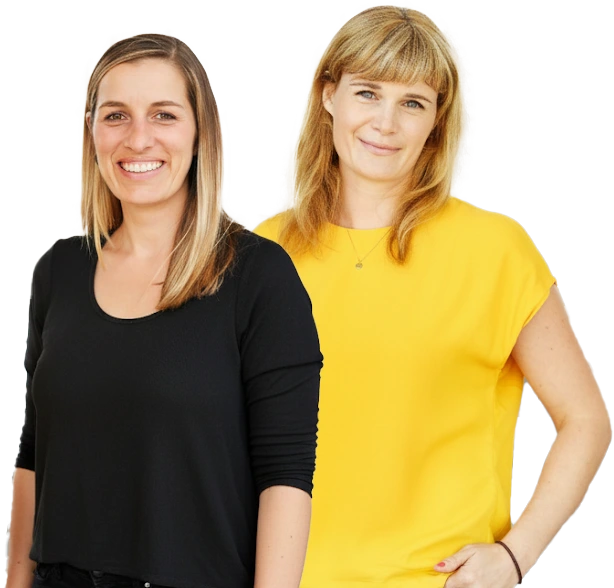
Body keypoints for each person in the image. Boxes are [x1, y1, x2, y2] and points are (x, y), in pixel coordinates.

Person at [253, 5, 612, 588]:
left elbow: (586, 419)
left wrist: (515, 556)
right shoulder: (263, 254)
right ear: (328, 96)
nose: (386, 123)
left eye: (413, 103)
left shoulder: (493, 250)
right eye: (368, 93)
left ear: (437, 121)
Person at [6, 33, 322, 588]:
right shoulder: (61, 271)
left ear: (201, 134)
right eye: (116, 116)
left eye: (164, 115)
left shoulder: (258, 276)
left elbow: (285, 475)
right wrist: (15, 578)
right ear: (92, 132)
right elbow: (35, 453)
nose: (138, 138)